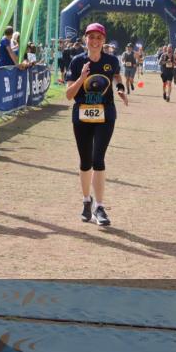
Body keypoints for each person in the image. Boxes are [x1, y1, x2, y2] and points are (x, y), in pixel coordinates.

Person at [64, 23, 128, 227]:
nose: (94, 41)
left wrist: (119, 88)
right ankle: (86, 201)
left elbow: (116, 75)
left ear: (103, 40)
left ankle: (100, 207)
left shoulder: (111, 60)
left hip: (105, 113)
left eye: (98, 38)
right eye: (91, 37)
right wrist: (82, 77)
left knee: (98, 159)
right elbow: (68, 95)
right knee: (85, 161)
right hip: (82, 114)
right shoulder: (76, 62)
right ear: (85, 40)